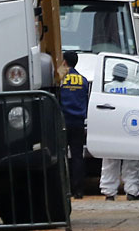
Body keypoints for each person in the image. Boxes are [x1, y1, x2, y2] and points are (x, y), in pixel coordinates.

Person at [100, 62, 139, 201]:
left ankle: (109, 193)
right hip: (130, 128)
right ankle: (132, 191)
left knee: (110, 161)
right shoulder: (135, 88)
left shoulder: (105, 88)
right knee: (131, 161)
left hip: (111, 129)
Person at [59, 50, 88, 200]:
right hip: (78, 123)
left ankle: (65, 189)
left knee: (62, 156)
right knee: (77, 157)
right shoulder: (83, 80)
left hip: (63, 122)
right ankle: (79, 191)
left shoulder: (60, 79)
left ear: (64, 62)